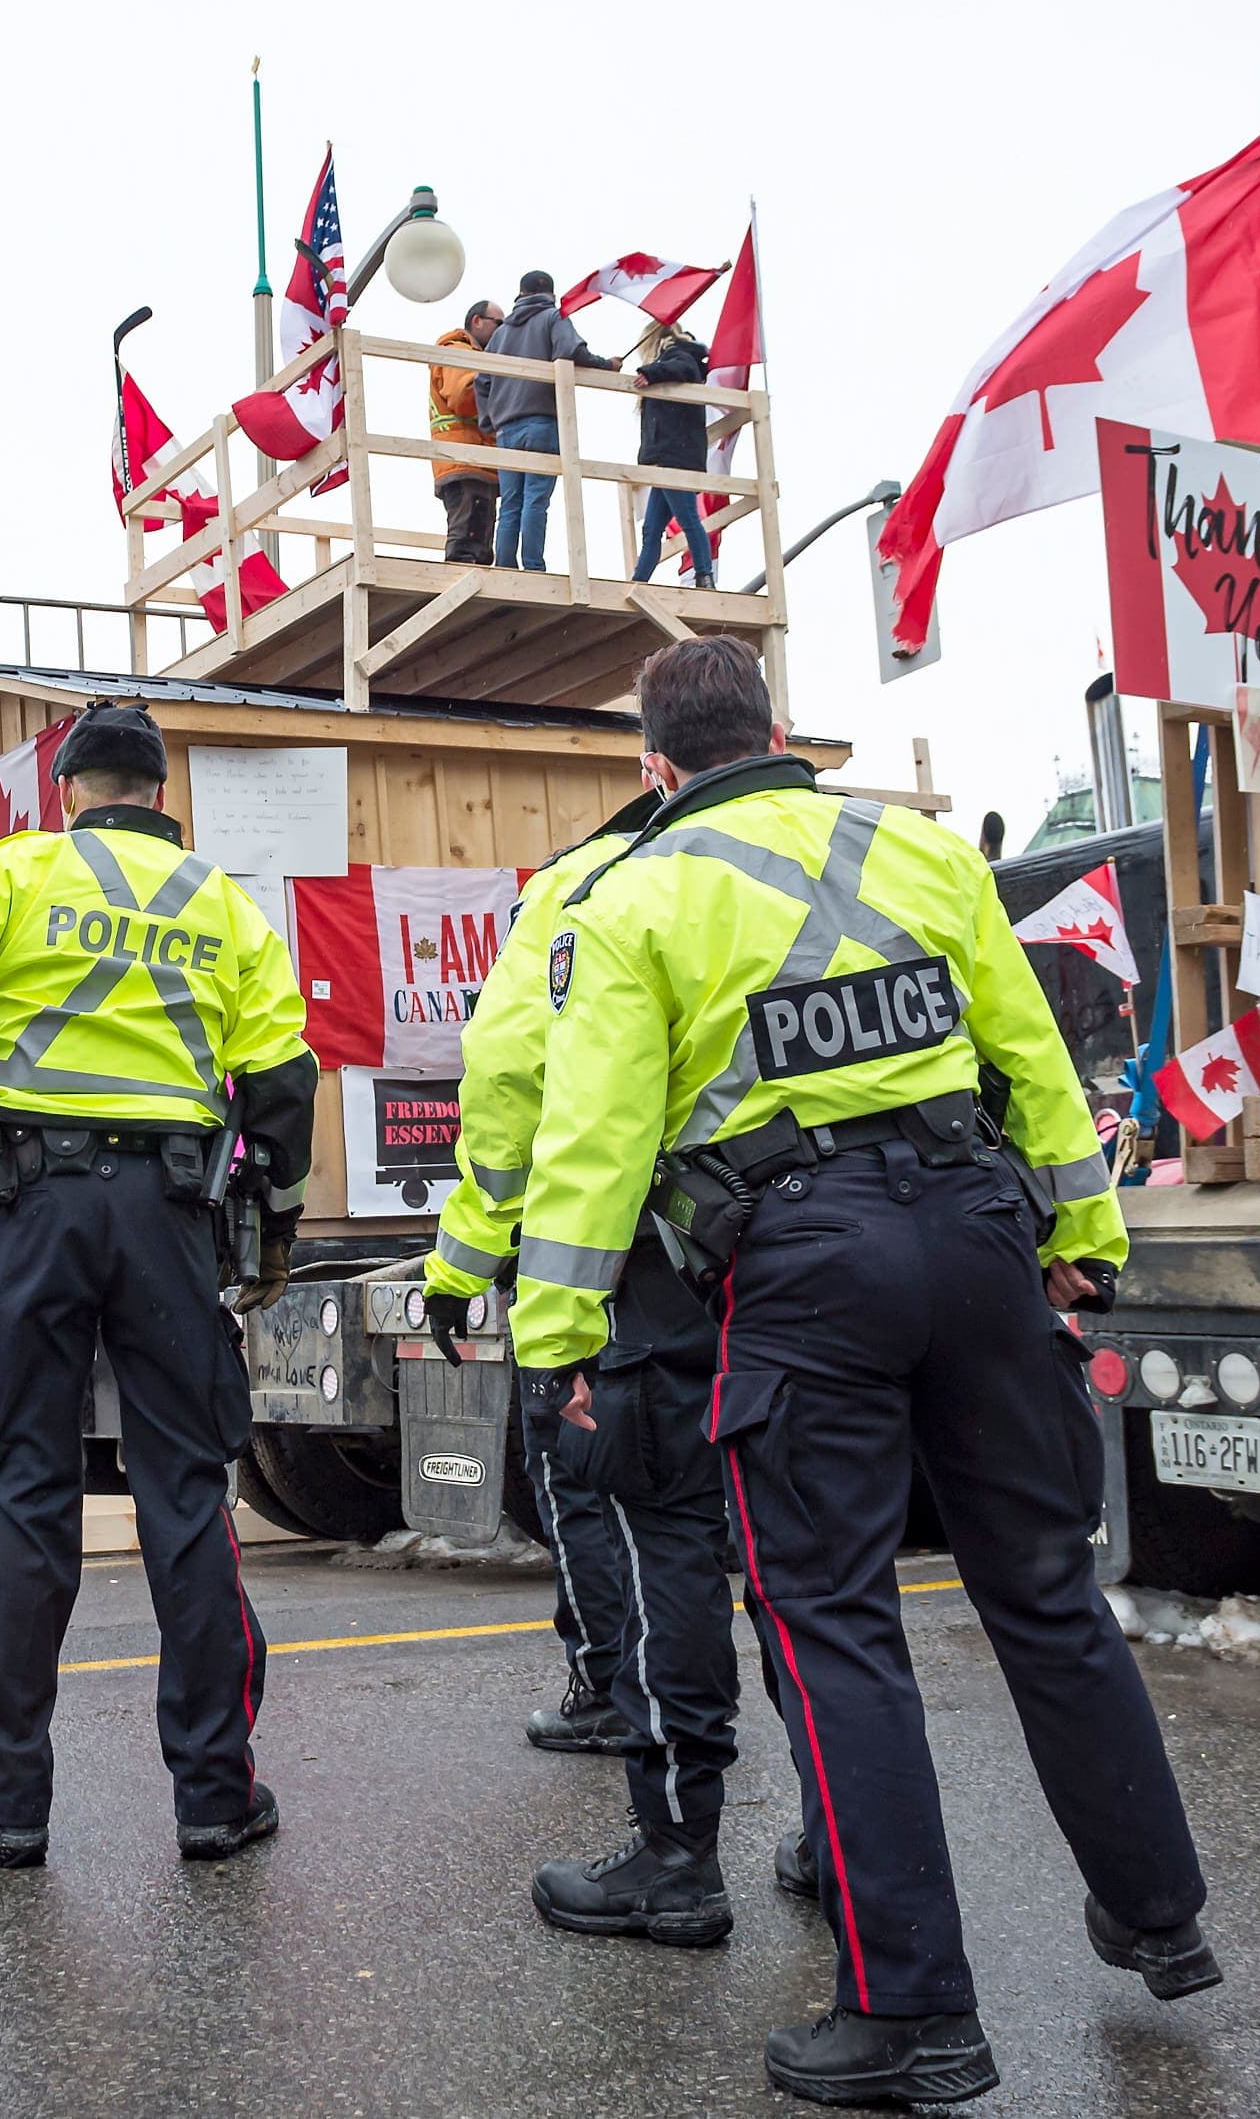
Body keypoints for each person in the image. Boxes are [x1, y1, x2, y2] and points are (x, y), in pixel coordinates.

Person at [519, 638, 1214, 2109]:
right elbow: (1030, 1052)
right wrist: (1084, 1233)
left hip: (802, 1268)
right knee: (1044, 1590)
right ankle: (1161, 1913)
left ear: (656, 765)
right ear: (782, 734)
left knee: (837, 1624)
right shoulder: (917, 852)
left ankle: (914, 2014)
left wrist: (561, 1340)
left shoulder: (632, 897)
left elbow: (589, 1141)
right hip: (976, 1236)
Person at [0, 698, 315, 1868]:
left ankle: (5, 1806)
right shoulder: (223, 904)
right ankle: (217, 1796)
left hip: (39, 1211)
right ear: (162, 794)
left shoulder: (20, 872)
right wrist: (273, 1217)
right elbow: (279, 1079)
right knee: (184, 1496)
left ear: (71, 790)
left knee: (26, 1494)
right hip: (168, 1216)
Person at [422, 786, 768, 1954]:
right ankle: (839, 1827)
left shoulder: (578, 895)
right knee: (808, 1554)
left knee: (644, 1520)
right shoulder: (799, 862)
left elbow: (513, 1090)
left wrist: (466, 1259)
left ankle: (672, 1833)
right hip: (814, 1252)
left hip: (652, 1262)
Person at [479, 271, 619, 572]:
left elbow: (482, 380)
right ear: (551, 295)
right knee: (536, 498)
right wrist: (607, 365)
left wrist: (487, 420)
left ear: (520, 295)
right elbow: (572, 352)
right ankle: (533, 566)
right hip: (540, 421)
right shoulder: (554, 317)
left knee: (511, 503)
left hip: (506, 430)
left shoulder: (500, 334)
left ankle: (504, 564)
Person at [630, 321, 718, 589]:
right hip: (667, 457)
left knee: (687, 517)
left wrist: (652, 372)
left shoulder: (679, 353)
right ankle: (638, 583)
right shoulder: (674, 356)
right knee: (652, 530)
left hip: (675, 456)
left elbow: (686, 369)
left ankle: (704, 576)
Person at [431, 300, 506, 565]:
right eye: (499, 323)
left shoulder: (472, 357)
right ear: (477, 321)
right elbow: (463, 396)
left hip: (475, 458)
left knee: (480, 543)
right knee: (467, 544)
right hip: (465, 458)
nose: (502, 330)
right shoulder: (457, 352)